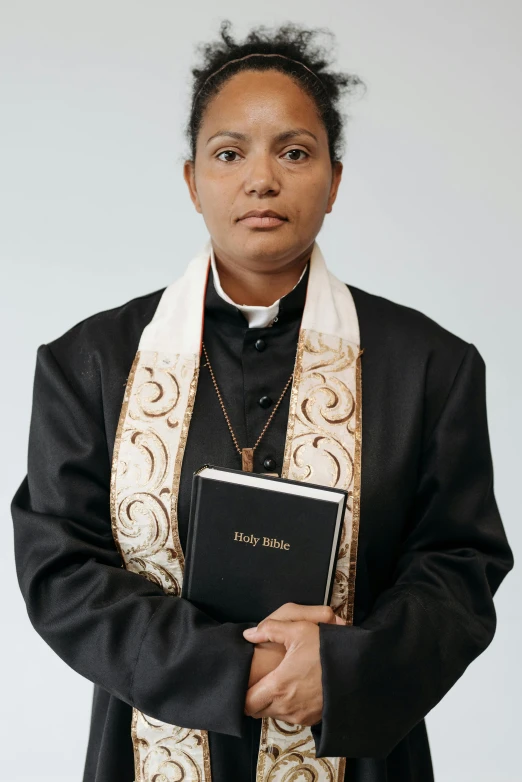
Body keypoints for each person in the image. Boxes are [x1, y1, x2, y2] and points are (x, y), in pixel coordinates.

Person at [11, 19, 514, 782]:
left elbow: (458, 565)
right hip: (147, 749)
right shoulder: (89, 362)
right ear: (192, 181)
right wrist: (228, 670)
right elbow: (59, 565)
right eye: (229, 153)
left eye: (295, 152)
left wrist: (345, 667)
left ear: (335, 181)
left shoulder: (430, 366)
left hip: (359, 754)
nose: (261, 180)